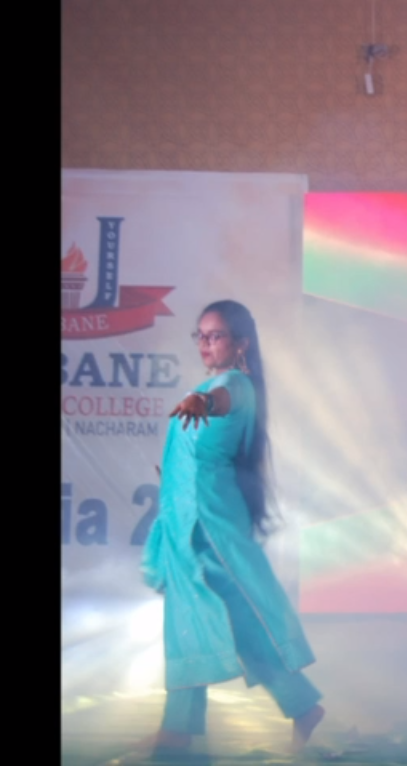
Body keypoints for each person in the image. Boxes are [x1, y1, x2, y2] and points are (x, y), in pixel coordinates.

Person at [141, 300, 325, 755]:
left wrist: (203, 401)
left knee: (204, 617)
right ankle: (299, 706)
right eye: (201, 335)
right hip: (188, 518)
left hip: (209, 525)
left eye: (216, 335)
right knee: (214, 621)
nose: (205, 344)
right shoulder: (211, 383)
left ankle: (180, 728)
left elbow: (221, 402)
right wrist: (173, 478)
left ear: (241, 344)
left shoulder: (234, 385)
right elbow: (197, 453)